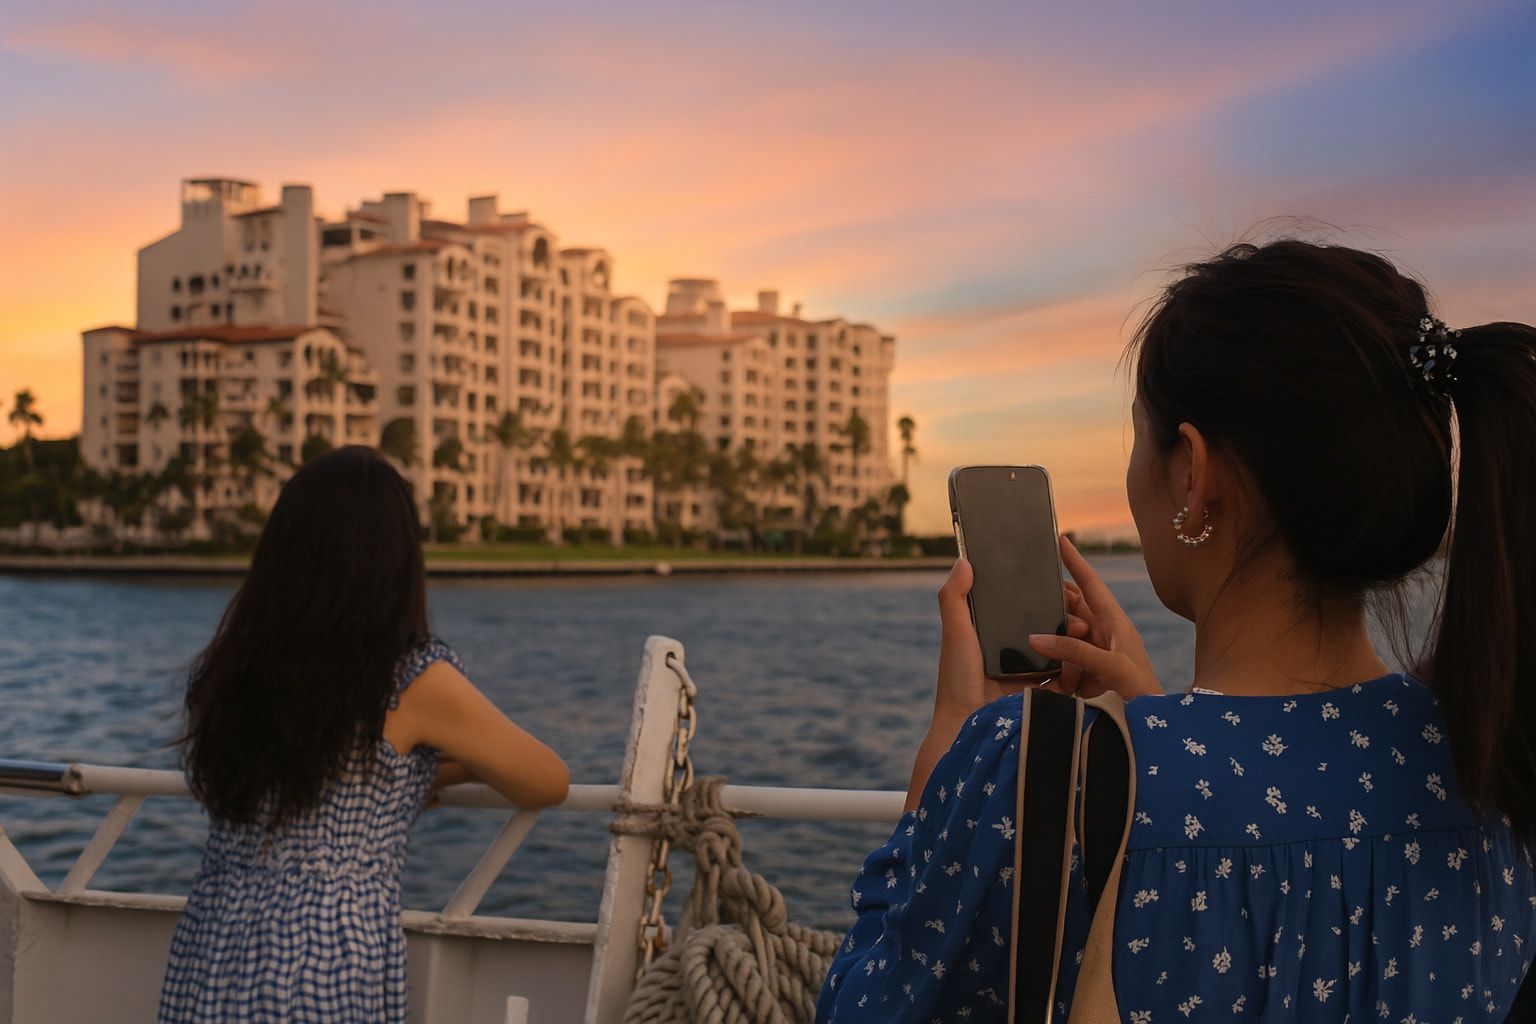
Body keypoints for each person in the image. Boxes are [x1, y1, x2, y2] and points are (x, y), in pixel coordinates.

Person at [817, 240, 1536, 1022]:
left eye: (1137, 435)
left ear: (1192, 475)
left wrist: (952, 751)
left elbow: (874, 1005)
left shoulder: (1028, 769)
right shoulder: (1499, 754)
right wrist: (1148, 728)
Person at [157, 446, 569, 1023]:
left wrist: (413, 775)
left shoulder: (232, 667)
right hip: (323, 949)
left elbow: (323, 776)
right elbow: (547, 781)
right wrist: (458, 764)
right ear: (394, 558)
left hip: (214, 934)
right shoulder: (410, 678)